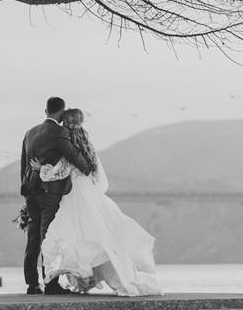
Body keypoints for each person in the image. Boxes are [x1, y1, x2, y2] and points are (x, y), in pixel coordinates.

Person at [32, 108, 162, 296]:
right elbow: (97, 176)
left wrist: (41, 169)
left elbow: (60, 171)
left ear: (65, 124)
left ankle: (84, 278)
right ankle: (106, 278)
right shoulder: (87, 144)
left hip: (75, 194)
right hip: (90, 193)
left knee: (74, 233)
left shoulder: (69, 145)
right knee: (97, 234)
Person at [21, 97, 94, 295]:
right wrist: (88, 166)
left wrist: (27, 192)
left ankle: (32, 284)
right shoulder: (60, 132)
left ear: (45, 110)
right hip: (50, 193)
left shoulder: (29, 133)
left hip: (31, 192)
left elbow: (24, 165)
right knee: (48, 237)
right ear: (61, 113)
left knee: (33, 238)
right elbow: (74, 157)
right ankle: (51, 284)